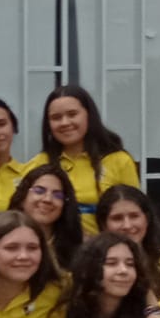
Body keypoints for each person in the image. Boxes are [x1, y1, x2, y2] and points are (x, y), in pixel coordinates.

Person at [29, 86, 139, 219]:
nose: (64, 122)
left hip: (106, 239)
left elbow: (135, 214)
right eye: (56, 117)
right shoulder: (40, 163)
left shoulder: (119, 161)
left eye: (72, 114)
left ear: (89, 115)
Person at [95, 185, 160, 297]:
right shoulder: (93, 270)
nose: (127, 225)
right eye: (117, 218)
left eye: (134, 216)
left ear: (147, 219)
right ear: (103, 225)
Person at [9, 164, 84, 269]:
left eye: (57, 195)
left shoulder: (79, 250)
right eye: (39, 191)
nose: (47, 199)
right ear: (22, 197)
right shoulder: (2, 241)